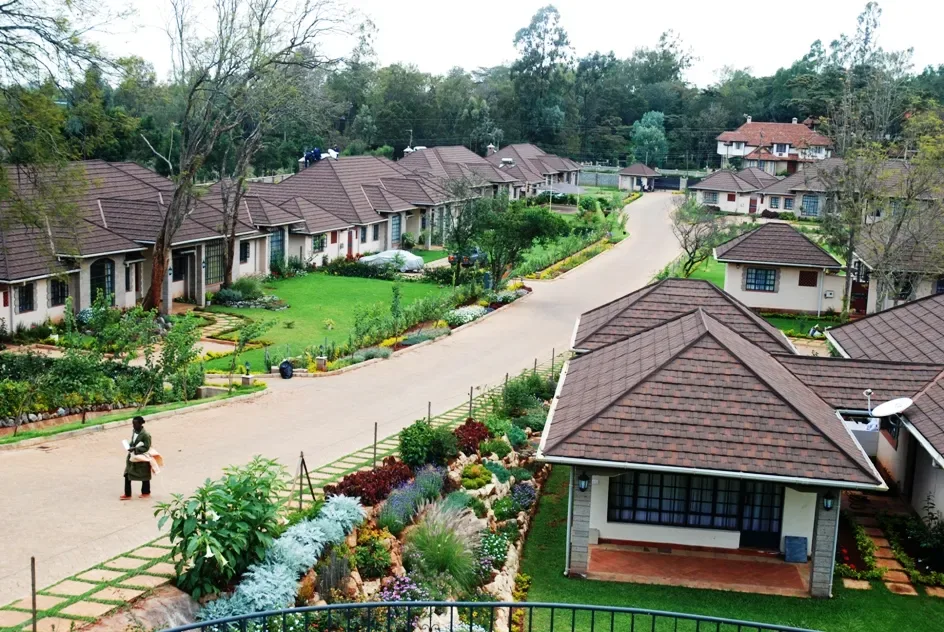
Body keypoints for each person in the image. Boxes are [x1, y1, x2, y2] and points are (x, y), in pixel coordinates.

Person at [121, 416, 152, 500]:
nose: (133, 425)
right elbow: (133, 441)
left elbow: (146, 447)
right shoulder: (134, 431)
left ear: (140, 424)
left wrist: (135, 449)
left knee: (144, 476)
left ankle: (146, 492)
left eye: (135, 424)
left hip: (141, 459)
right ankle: (127, 494)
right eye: (133, 424)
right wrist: (130, 445)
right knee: (127, 474)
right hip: (133, 457)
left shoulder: (145, 435)